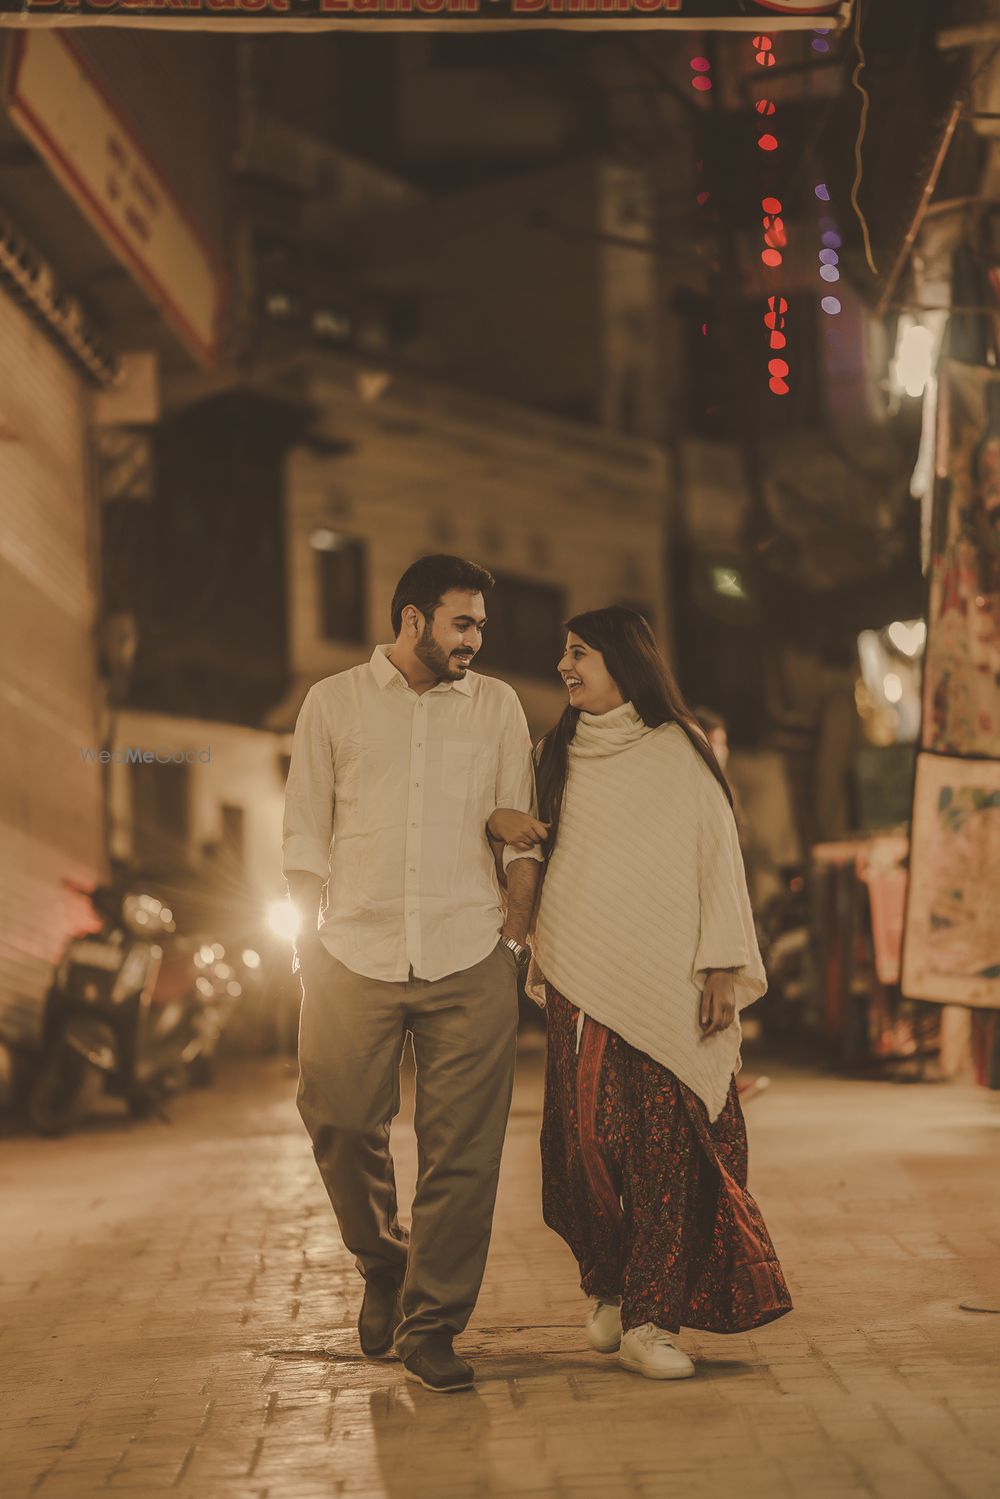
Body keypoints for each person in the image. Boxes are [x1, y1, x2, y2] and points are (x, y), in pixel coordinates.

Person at [488, 607, 792, 1381]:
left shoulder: (678, 750)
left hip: (669, 981)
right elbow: (522, 840)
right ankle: (612, 1286)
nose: (564, 665)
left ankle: (653, 1320)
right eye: (564, 651)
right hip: (581, 979)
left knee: (667, 1148)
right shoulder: (553, 751)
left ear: (622, 659)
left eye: (579, 652)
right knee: (585, 1142)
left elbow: (715, 857)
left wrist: (722, 964)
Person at [282, 555, 542, 1394]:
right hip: (350, 949)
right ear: (411, 619)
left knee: (461, 1154)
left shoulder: (498, 706)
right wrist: (306, 947)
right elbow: (303, 835)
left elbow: (518, 834)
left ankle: (432, 1325)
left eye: (480, 627)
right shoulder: (333, 703)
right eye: (461, 623)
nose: (474, 639)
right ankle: (383, 1260)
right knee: (338, 1114)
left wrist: (515, 933)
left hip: (468, 952)